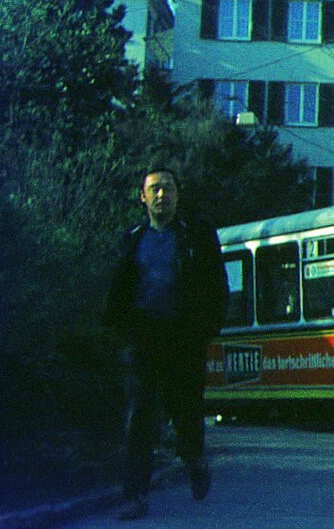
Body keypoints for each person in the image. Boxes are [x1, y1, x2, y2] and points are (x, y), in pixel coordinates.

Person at [103, 166, 227, 520]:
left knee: (186, 410)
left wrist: (209, 326)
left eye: (168, 189)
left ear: (178, 195)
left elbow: (216, 283)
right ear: (142, 197)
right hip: (143, 338)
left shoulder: (197, 235)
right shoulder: (132, 237)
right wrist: (119, 328)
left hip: (183, 337)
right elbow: (119, 286)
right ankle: (134, 495)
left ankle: (194, 460)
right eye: (154, 189)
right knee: (139, 414)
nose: (162, 195)